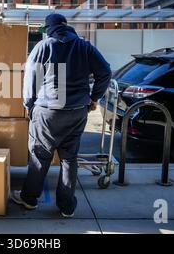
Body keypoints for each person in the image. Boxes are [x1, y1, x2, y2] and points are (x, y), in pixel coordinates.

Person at [11, 13, 112, 218]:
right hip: (77, 112)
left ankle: (29, 199)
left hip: (48, 112)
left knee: (40, 157)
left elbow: (31, 78)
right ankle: (66, 206)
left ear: (49, 28)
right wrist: (94, 98)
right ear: (67, 26)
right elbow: (105, 72)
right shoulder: (85, 47)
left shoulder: (44, 46)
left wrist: (29, 106)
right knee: (69, 158)